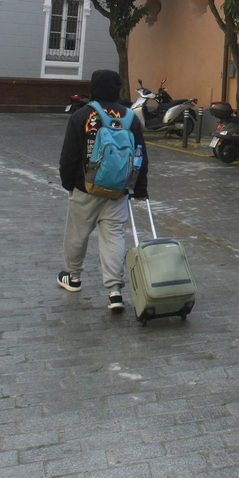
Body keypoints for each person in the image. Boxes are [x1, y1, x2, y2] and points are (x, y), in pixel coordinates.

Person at [57, 69, 147, 311]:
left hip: (85, 187)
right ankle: (115, 291)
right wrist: (138, 188)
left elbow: (69, 156)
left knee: (77, 233)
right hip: (118, 190)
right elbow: (139, 156)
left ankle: (73, 277)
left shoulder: (83, 115)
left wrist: (69, 184)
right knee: (114, 237)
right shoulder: (130, 118)